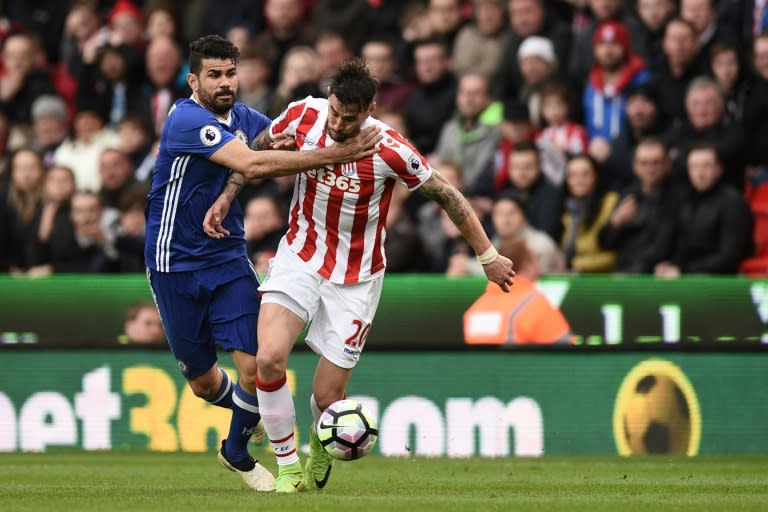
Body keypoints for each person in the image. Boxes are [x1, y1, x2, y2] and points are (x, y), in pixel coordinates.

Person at [204, 58, 515, 493]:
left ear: (369, 109)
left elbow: (446, 193)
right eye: (334, 111)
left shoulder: (390, 149)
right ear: (328, 99)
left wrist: (488, 254)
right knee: (269, 358)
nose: (337, 123)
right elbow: (254, 152)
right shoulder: (302, 114)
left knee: (328, 398)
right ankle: (288, 466)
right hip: (300, 257)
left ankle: (320, 436)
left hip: (357, 277)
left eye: (348, 118)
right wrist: (229, 194)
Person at [143, 35, 380, 493]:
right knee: (203, 383)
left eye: (231, 72)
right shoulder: (185, 119)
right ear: (194, 80)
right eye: (214, 75)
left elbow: (283, 147)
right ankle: (249, 416)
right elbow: (252, 163)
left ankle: (236, 450)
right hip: (172, 263)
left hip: (228, 256)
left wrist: (328, 139)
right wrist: (338, 153)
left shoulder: (248, 119)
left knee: (258, 364)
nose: (226, 82)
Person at [464, 238, 573, 345]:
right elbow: (566, 352)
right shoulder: (535, 305)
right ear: (527, 265)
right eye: (537, 259)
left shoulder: (474, 311)